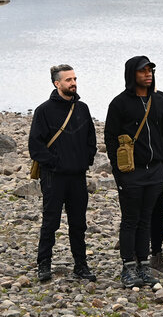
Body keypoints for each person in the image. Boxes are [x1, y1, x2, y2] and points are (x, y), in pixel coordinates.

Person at [105, 56, 163, 288]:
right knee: (130, 220)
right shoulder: (119, 104)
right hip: (131, 172)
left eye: (150, 70)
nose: (148, 74)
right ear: (132, 74)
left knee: (146, 220)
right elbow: (110, 138)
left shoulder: (160, 100)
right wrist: (119, 172)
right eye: (143, 70)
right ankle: (128, 267)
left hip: (155, 171)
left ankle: (143, 265)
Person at [29, 64, 97, 283]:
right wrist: (55, 164)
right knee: (51, 222)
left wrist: (85, 161)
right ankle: (44, 264)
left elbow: (91, 139)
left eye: (74, 79)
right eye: (68, 80)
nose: (73, 83)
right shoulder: (43, 110)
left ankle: (81, 265)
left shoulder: (82, 108)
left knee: (78, 223)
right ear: (57, 83)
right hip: (53, 176)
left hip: (77, 176)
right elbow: (35, 146)